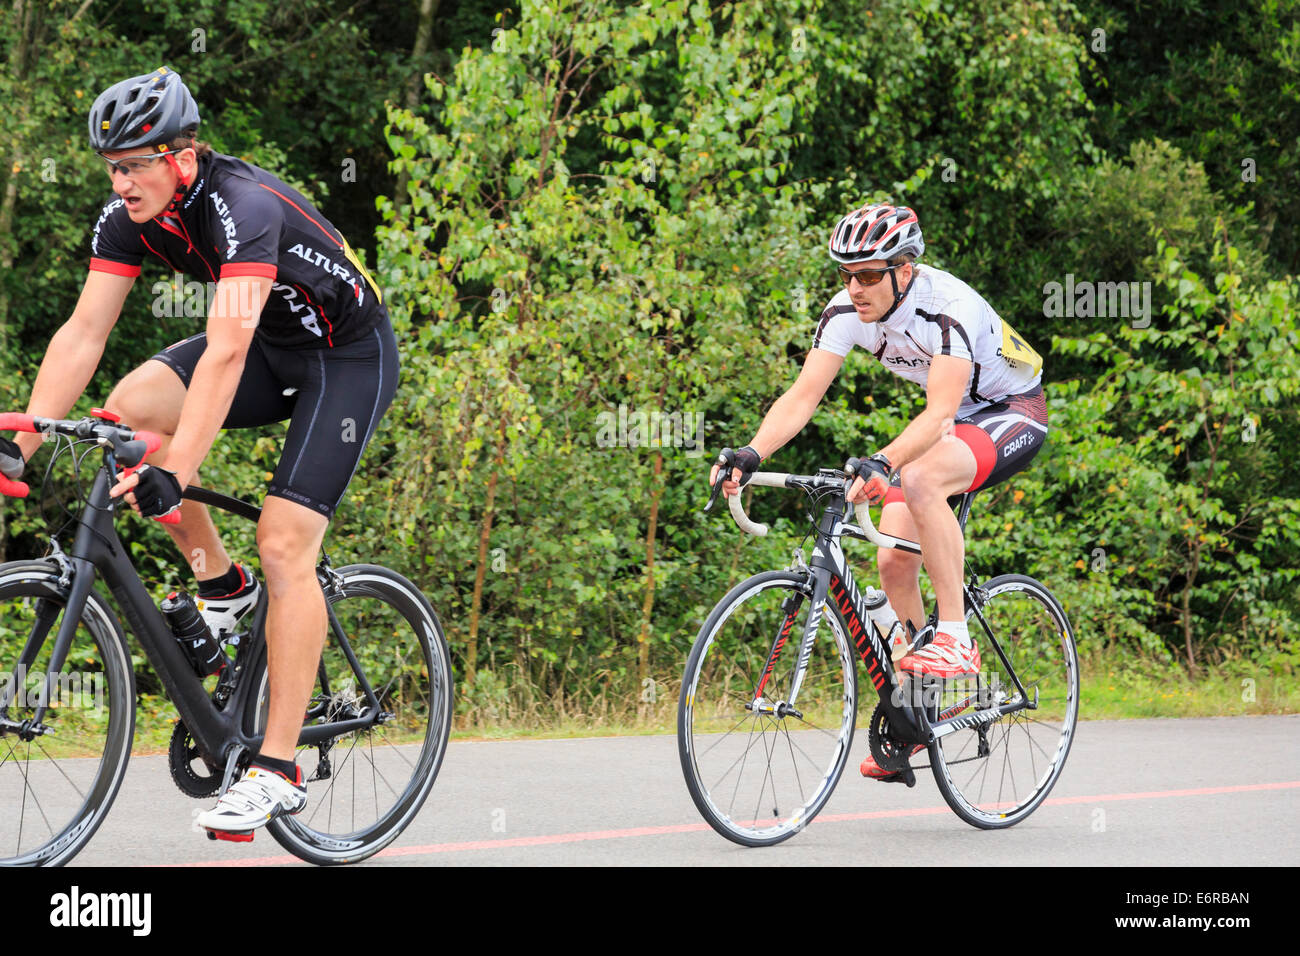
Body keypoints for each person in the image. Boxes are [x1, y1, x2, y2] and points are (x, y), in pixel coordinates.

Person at [0, 67, 399, 836]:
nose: (120, 182)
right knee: (130, 411)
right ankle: (223, 588)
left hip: (345, 357)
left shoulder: (241, 206)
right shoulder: (128, 218)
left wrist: (177, 471)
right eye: (111, 167)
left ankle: (277, 769)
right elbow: (83, 332)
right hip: (269, 348)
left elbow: (223, 351)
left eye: (134, 164)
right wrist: (20, 443)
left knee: (284, 542)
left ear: (180, 158)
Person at [710, 202, 1047, 779]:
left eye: (868, 275)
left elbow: (942, 409)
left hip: (1009, 410)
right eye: (846, 274)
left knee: (918, 477)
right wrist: (751, 452)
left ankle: (958, 638)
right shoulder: (845, 312)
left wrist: (884, 462)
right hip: (948, 423)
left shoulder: (948, 309)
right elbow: (802, 396)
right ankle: (917, 712)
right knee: (891, 562)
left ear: (905, 270)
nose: (855, 287)